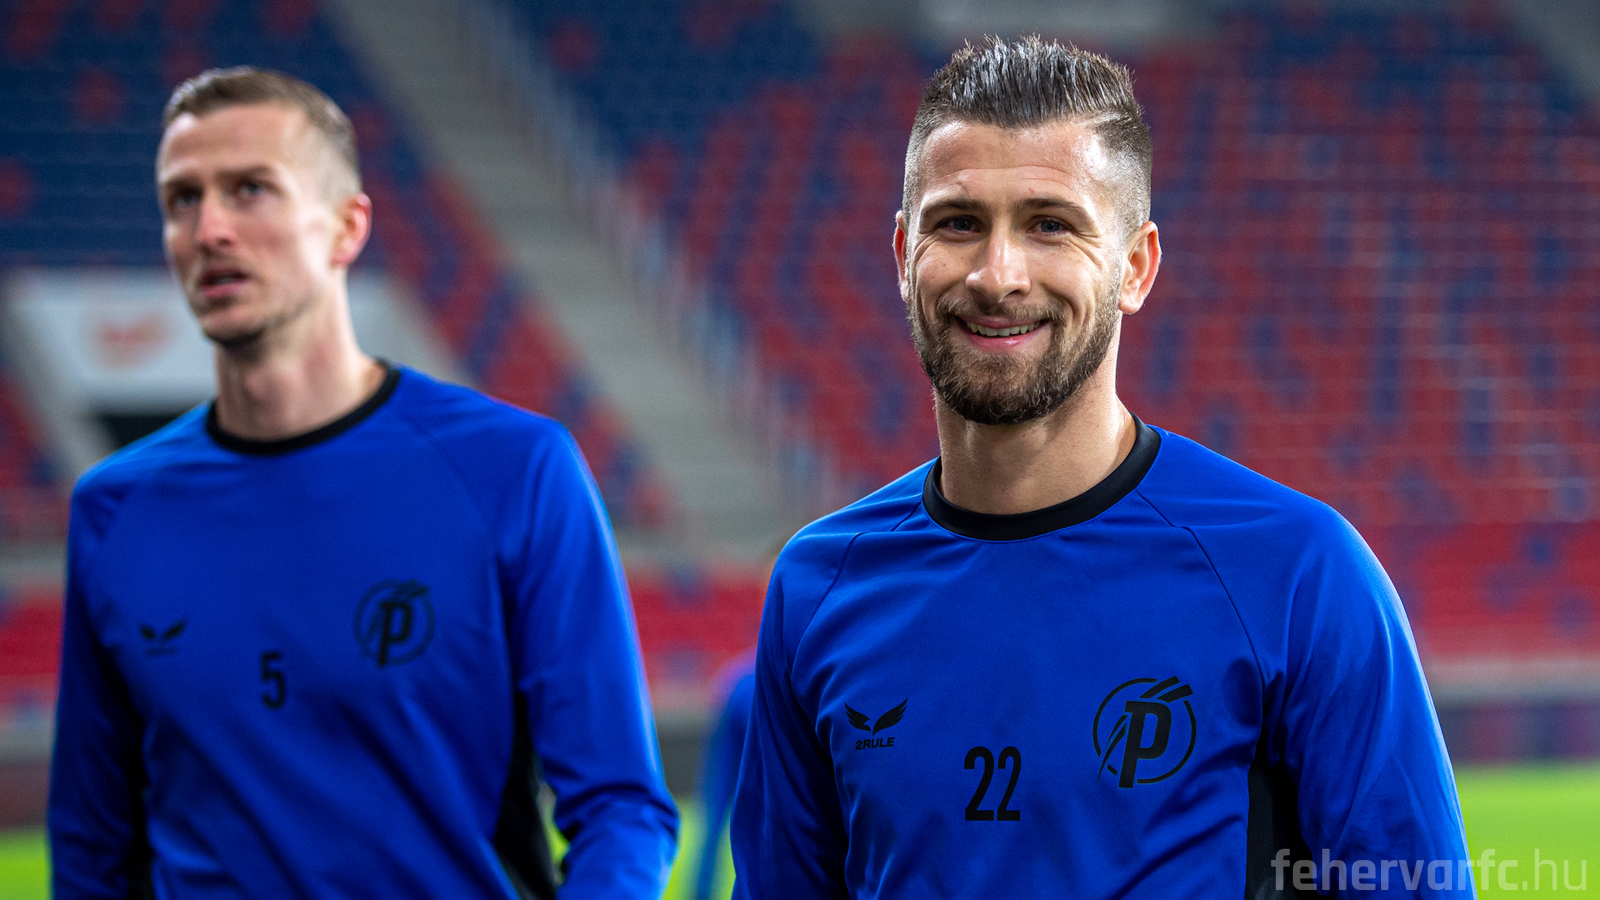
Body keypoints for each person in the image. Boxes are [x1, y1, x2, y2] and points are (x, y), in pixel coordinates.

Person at [730, 38, 1473, 898]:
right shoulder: (817, 588)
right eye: (959, 223)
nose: (998, 275)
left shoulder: (1298, 573)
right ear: (903, 255)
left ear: (1135, 267)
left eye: (1050, 224)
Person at [48, 67, 676, 899]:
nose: (209, 229)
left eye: (249, 190)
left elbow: (622, 808)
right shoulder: (113, 511)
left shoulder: (514, 469)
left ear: (347, 228)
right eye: (182, 199)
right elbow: (90, 850)